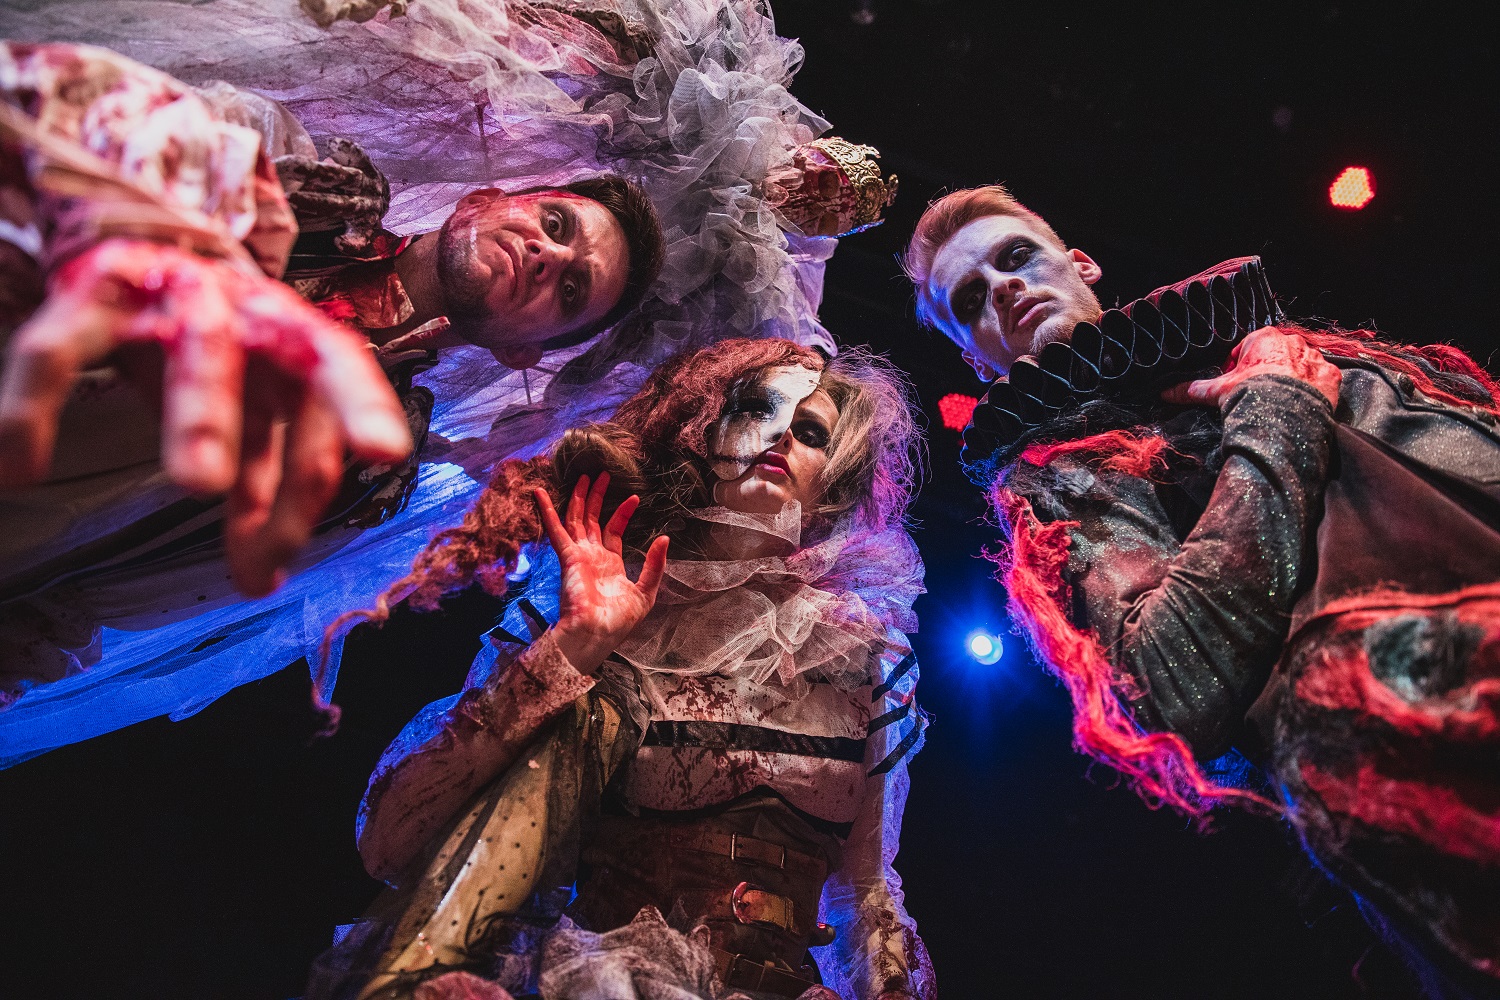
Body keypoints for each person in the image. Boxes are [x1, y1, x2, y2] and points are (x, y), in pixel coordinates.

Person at [0, 0, 898, 765]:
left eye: (572, 290)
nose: (547, 254)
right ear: (484, 199)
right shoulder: (296, 184)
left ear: (527, 355)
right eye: (556, 222)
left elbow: (97, 596)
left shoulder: (364, 472)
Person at [904, 184, 1500, 997]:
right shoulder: (1066, 479)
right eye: (971, 300)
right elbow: (1172, 684)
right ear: (977, 360)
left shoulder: (1286, 346)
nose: (1004, 288)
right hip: (1430, 758)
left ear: (1081, 264)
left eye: (1016, 257)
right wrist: (1278, 412)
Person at [308, 338, 933, 1000]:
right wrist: (575, 647)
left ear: (833, 484)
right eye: (757, 408)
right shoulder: (597, 593)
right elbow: (390, 841)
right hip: (607, 981)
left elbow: (865, 888)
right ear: (699, 429)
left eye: (810, 432)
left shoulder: (863, 651)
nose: (780, 433)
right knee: (589, 713)